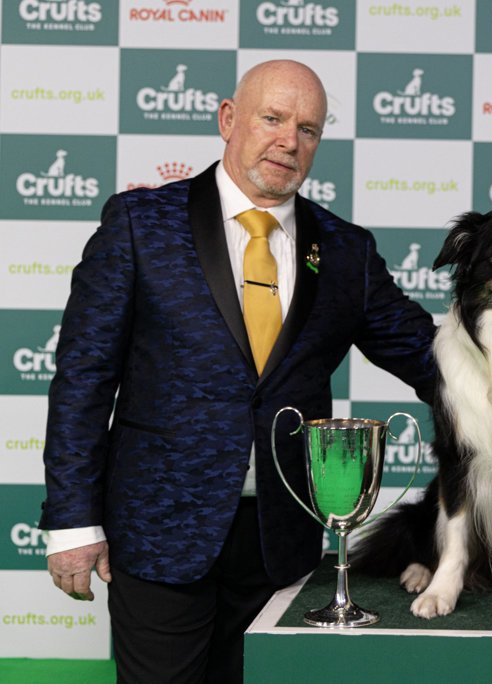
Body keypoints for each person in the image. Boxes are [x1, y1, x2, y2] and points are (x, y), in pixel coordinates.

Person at [40, 60, 436, 684]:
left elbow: (431, 358)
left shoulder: (345, 251)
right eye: (272, 119)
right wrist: (71, 520)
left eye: (308, 129)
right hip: (160, 533)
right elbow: (83, 378)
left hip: (281, 543)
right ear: (228, 119)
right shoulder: (141, 224)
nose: (289, 141)